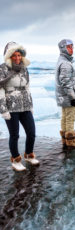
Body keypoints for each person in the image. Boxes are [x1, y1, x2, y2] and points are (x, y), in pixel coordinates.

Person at [0, 42, 39, 171]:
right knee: (14, 135)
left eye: (19, 55)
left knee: (31, 132)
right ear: (9, 56)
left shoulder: (24, 69)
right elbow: (0, 89)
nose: (17, 58)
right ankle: (16, 159)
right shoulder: (3, 69)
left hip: (25, 105)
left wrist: (31, 105)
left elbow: (27, 88)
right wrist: (3, 109)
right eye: (14, 56)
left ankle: (28, 154)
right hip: (11, 107)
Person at [55, 39, 75, 148]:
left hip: (63, 97)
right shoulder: (65, 64)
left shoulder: (62, 61)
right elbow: (66, 82)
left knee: (65, 116)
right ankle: (72, 141)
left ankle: (65, 139)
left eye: (72, 46)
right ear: (63, 48)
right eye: (68, 47)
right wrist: (72, 97)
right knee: (70, 117)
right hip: (68, 96)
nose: (71, 49)